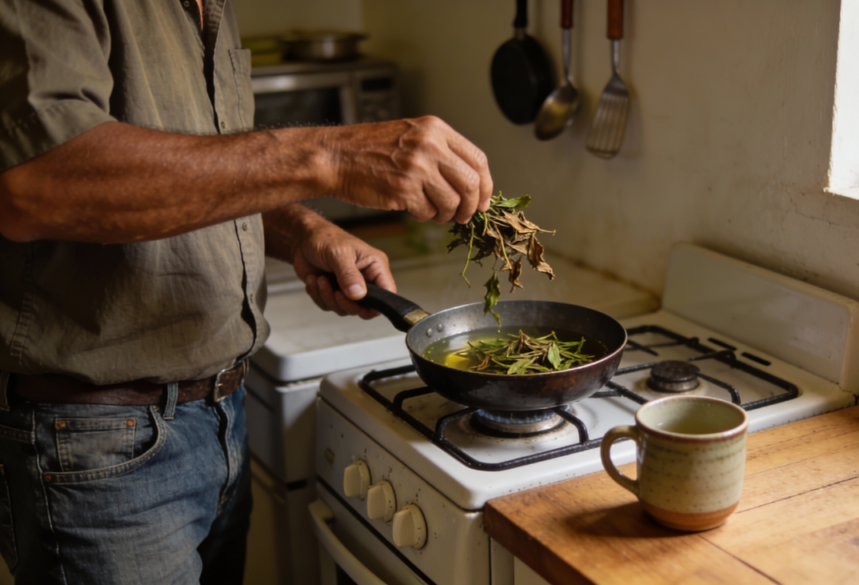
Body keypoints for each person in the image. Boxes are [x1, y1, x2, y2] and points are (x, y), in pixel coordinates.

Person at [0, 0, 492, 583]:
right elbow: (35, 182)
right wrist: (331, 154)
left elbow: (199, 173)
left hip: (222, 413)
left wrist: (302, 229)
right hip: (97, 444)